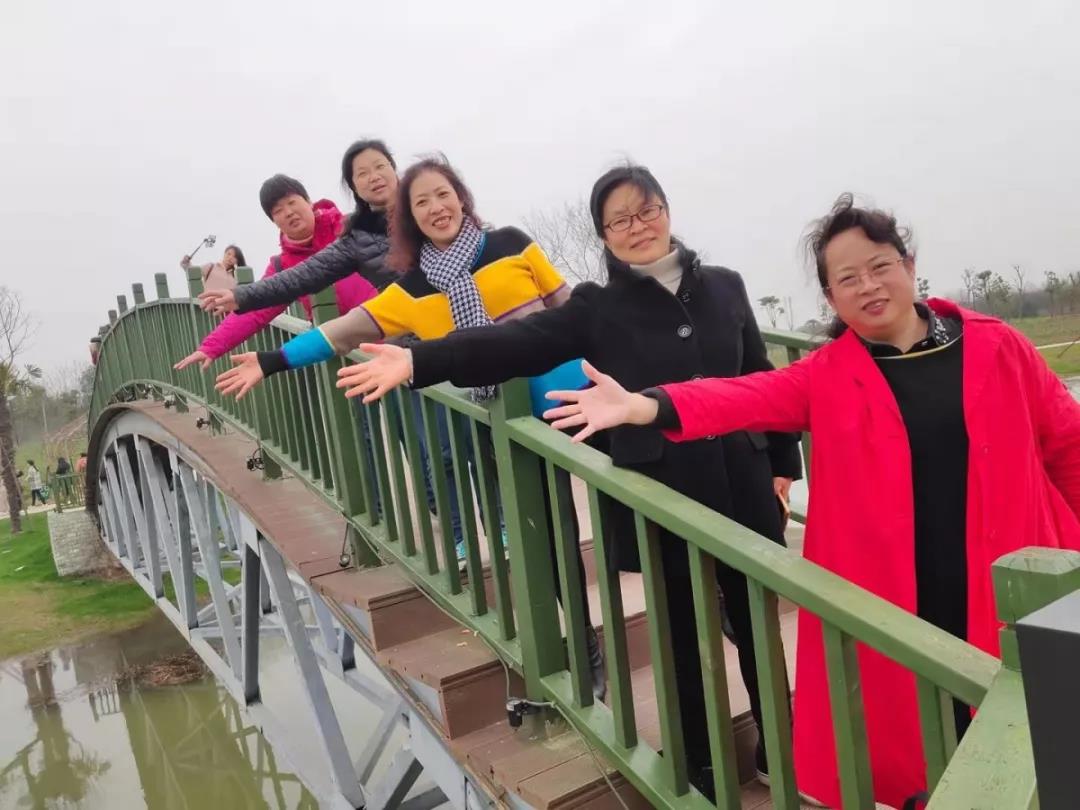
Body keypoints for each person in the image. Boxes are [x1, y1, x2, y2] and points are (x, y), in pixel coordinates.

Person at [538, 193, 1080, 809]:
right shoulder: (828, 375)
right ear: (830, 298)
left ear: (909, 265)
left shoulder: (997, 347)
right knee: (930, 747)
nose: (868, 286)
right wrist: (644, 406)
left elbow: (1068, 448)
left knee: (1037, 741)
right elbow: (742, 395)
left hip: (1010, 585)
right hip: (898, 600)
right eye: (847, 279)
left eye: (880, 266)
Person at [331, 163, 803, 800]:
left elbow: (760, 378)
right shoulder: (597, 308)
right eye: (619, 220)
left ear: (667, 210)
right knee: (680, 634)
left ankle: (780, 747)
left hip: (742, 483)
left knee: (755, 625)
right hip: (659, 494)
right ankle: (701, 763)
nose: (637, 226)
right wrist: (418, 360)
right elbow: (510, 344)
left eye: (647, 210)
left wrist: (782, 463)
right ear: (604, 235)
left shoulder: (725, 285)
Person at [215, 155, 606, 698]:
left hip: (581, 404)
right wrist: (270, 361)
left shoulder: (512, 244)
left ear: (461, 197)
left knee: (624, 506)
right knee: (552, 534)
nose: (436, 207)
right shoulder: (412, 289)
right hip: (509, 428)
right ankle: (585, 647)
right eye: (421, 202)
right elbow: (339, 333)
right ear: (408, 219)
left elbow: (573, 312)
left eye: (443, 194)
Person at [174, 175, 378, 371]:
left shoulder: (354, 228)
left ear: (309, 201)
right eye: (278, 210)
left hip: (387, 329)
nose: (288, 212)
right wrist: (211, 346)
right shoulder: (283, 265)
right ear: (274, 221)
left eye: (292, 202)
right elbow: (256, 309)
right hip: (350, 357)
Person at [197, 139, 399, 317]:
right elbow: (299, 277)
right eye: (362, 174)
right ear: (353, 186)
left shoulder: (416, 208)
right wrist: (240, 296)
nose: (374, 177)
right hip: (390, 335)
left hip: (390, 327)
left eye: (380, 166)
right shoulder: (355, 237)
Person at [180, 245, 246, 292]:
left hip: (227, 307)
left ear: (237, 261)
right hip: (209, 306)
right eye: (229, 254)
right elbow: (194, 272)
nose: (230, 257)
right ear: (224, 253)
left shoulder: (237, 276)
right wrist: (186, 263)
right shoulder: (211, 267)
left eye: (234, 257)